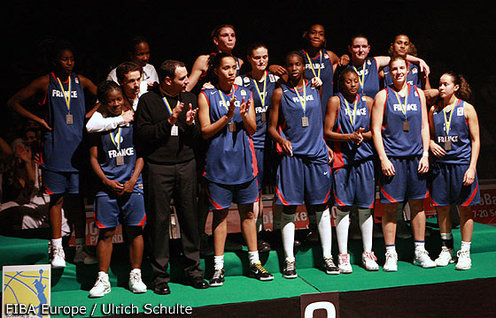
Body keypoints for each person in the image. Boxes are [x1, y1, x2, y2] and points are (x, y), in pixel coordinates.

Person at [8, 41, 97, 268]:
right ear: (56, 61)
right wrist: (38, 121)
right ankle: (57, 248)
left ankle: (79, 248)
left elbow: (104, 96)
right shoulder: (46, 82)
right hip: (54, 149)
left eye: (72, 59)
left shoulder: (81, 81)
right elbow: (13, 102)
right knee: (56, 199)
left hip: (77, 150)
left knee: (77, 201)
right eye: (65, 59)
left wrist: (88, 115)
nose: (69, 63)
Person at [198, 53, 274, 287]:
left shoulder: (245, 93)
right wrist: (228, 116)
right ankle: (218, 268)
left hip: (244, 165)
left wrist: (242, 113)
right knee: (220, 216)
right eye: (227, 68)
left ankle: (254, 263)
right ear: (217, 71)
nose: (232, 72)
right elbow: (205, 131)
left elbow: (252, 129)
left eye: (234, 68)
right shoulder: (206, 95)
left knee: (249, 214)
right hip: (218, 166)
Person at [134, 60, 208, 295]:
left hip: (186, 165)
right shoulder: (148, 101)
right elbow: (143, 135)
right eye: (182, 78)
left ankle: (194, 271)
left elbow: (196, 137)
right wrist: (169, 121)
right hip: (158, 167)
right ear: (167, 81)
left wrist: (190, 124)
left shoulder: (189, 98)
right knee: (159, 221)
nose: (187, 81)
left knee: (190, 219)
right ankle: (159, 276)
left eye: (186, 76)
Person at [268, 51, 335, 278]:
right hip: (293, 157)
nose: (294, 68)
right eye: (290, 65)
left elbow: (318, 121)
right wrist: (282, 139)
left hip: (316, 156)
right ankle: (289, 260)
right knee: (289, 207)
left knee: (321, 206)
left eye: (298, 64)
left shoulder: (316, 88)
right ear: (286, 68)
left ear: (304, 66)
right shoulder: (280, 93)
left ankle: (328, 257)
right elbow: (271, 128)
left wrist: (324, 144)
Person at [371, 56, 436, 271]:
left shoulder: (418, 93)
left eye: (402, 68)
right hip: (393, 159)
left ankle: (420, 251)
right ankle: (391, 253)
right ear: (388, 72)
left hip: (416, 157)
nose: (398, 72)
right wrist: (383, 158)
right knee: (390, 207)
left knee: (417, 205)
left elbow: (425, 126)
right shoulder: (383, 95)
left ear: (408, 69)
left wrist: (426, 153)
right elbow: (376, 131)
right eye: (394, 69)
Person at [87, 81, 147, 297]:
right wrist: (105, 181)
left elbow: (141, 154)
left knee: (135, 230)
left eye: (118, 99)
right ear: (103, 103)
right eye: (110, 100)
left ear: (124, 98)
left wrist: (133, 180)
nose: (115, 103)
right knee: (106, 232)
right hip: (107, 186)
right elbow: (93, 158)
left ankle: (136, 275)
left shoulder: (133, 119)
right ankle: (102, 279)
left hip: (133, 183)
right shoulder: (100, 124)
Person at [324, 68, 379, 273]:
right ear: (341, 83)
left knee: (366, 208)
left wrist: (362, 136)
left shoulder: (368, 102)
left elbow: (376, 132)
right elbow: (326, 132)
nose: (353, 84)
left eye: (355, 81)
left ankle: (367, 253)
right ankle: (343, 256)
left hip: (364, 159)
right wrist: (349, 137)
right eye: (348, 81)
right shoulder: (335, 102)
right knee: (344, 209)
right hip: (343, 161)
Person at [428, 72, 480, 270]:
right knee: (441, 208)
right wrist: (431, 143)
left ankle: (465, 252)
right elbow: (430, 134)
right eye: (439, 84)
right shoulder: (434, 109)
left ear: (456, 87)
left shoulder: (467, 109)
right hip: (440, 166)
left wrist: (472, 167)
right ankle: (446, 249)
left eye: (445, 84)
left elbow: (476, 140)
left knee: (465, 209)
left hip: (462, 165)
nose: (441, 88)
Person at [236, 42, 279, 253]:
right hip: (253, 143)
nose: (262, 61)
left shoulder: (276, 80)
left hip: (274, 142)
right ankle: (257, 236)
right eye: (257, 57)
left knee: (281, 189)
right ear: (249, 59)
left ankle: (278, 233)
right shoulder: (241, 81)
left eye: (265, 57)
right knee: (257, 193)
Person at [341, 34, 430, 98]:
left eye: (364, 46)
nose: (360, 50)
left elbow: (397, 58)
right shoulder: (342, 65)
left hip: (372, 111)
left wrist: (419, 60)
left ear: (368, 48)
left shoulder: (374, 62)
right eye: (356, 47)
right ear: (350, 48)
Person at [187, 24, 244, 93]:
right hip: (209, 100)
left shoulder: (239, 62)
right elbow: (187, 88)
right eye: (225, 35)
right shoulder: (204, 60)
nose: (230, 38)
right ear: (216, 40)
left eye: (232, 35)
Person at [86, 62, 138, 132]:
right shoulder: (106, 107)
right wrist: (120, 119)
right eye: (111, 101)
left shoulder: (145, 93)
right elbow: (90, 126)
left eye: (138, 79)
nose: (116, 103)